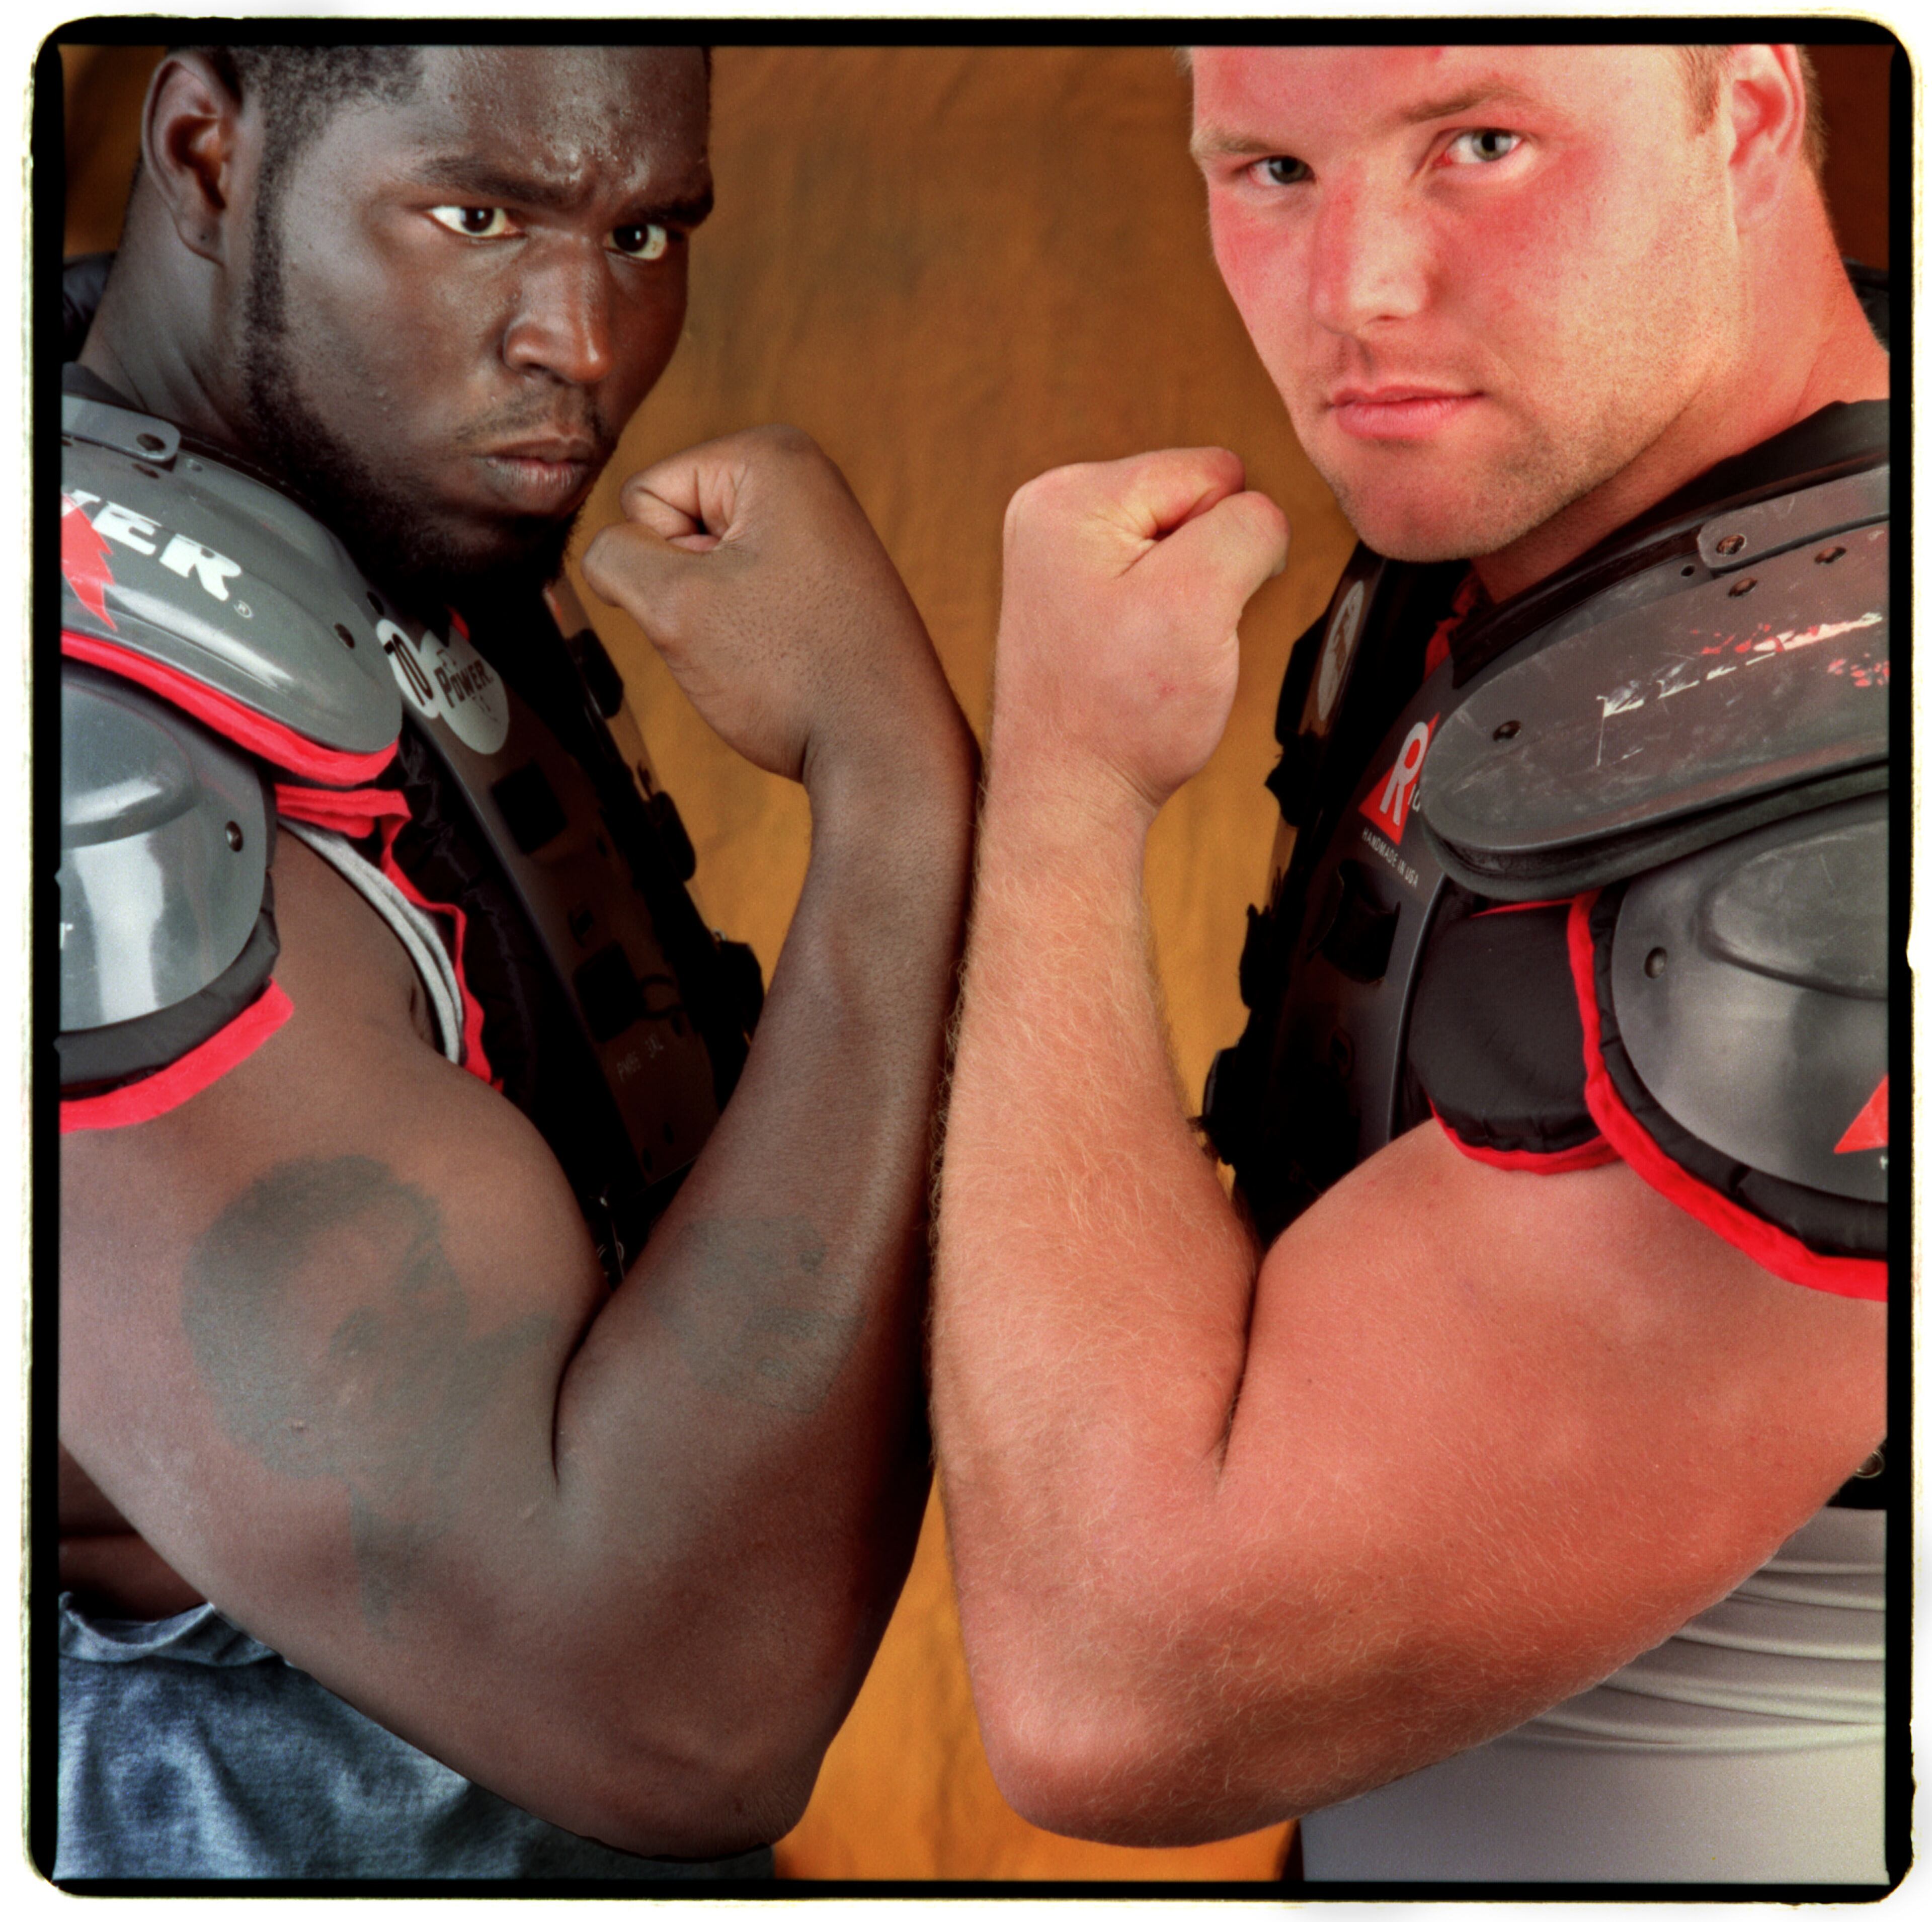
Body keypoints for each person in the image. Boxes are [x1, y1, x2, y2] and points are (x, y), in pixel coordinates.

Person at [932, 43, 1889, 1884]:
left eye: (1483, 145)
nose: (1359, 292)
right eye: (1269, 170)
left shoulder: (1851, 792)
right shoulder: (1612, 512)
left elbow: (1118, 1684)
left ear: (1748, 116)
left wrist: (1056, 782)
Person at [55, 44, 977, 1880]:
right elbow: (676, 1707)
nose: (584, 340)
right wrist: (901, 796)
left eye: (645, 233)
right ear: (205, 156)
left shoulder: (351, 510)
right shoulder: (81, 761)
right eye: (478, 216)